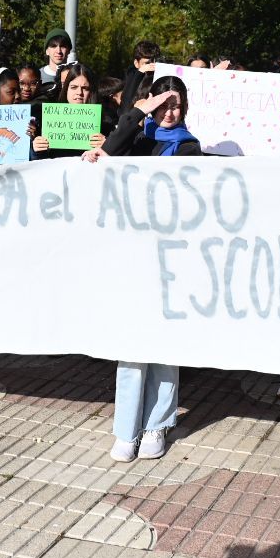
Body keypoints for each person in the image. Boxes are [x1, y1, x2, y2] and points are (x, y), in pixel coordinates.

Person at [87, 76, 203, 461]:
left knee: (165, 344)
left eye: (177, 105)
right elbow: (113, 147)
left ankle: (157, 423)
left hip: (171, 255)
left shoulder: (189, 145)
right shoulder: (136, 137)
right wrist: (141, 111)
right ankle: (126, 429)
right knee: (131, 342)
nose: (170, 112)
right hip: (131, 255)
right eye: (164, 104)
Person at [32, 62, 111, 157]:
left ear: (92, 92)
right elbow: (41, 164)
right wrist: (37, 149)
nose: (79, 93)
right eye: (74, 87)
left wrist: (108, 146)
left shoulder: (106, 123)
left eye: (85, 88)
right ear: (66, 90)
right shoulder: (50, 120)